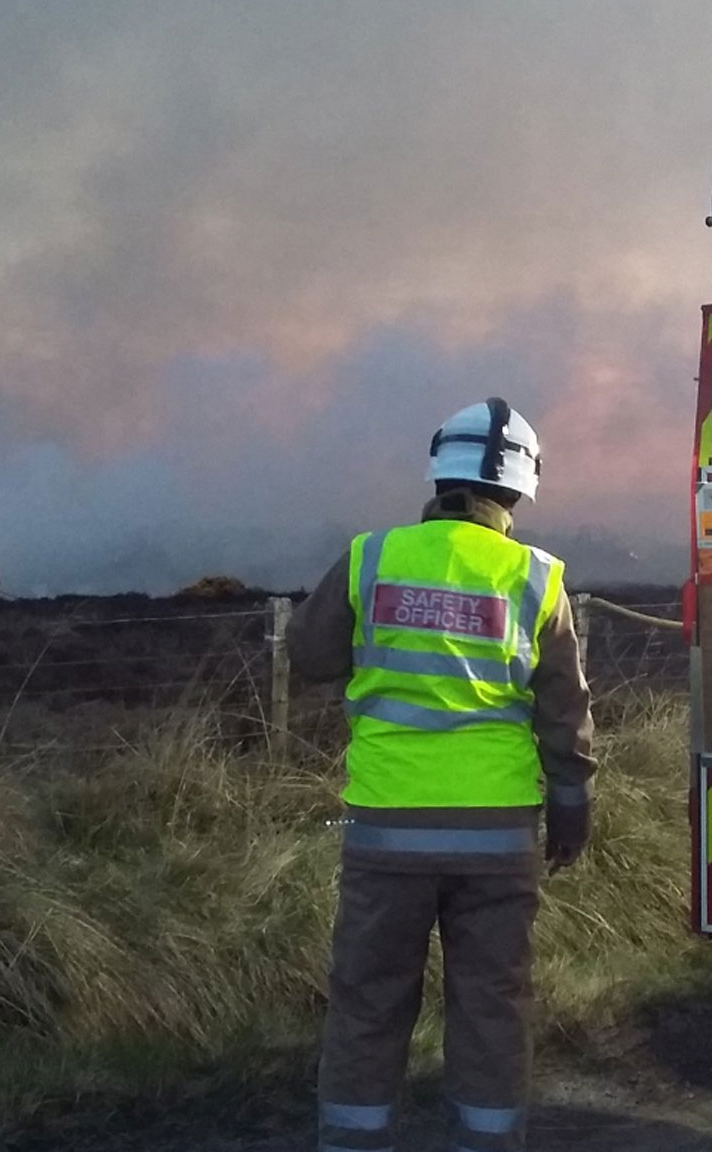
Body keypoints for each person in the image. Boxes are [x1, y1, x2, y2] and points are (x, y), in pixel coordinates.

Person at [289, 397, 596, 1152]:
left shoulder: (372, 557)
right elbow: (566, 717)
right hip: (496, 843)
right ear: (521, 488)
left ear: (439, 475)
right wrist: (572, 811)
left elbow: (306, 657)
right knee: (492, 1008)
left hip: (386, 833)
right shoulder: (538, 579)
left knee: (367, 1005)